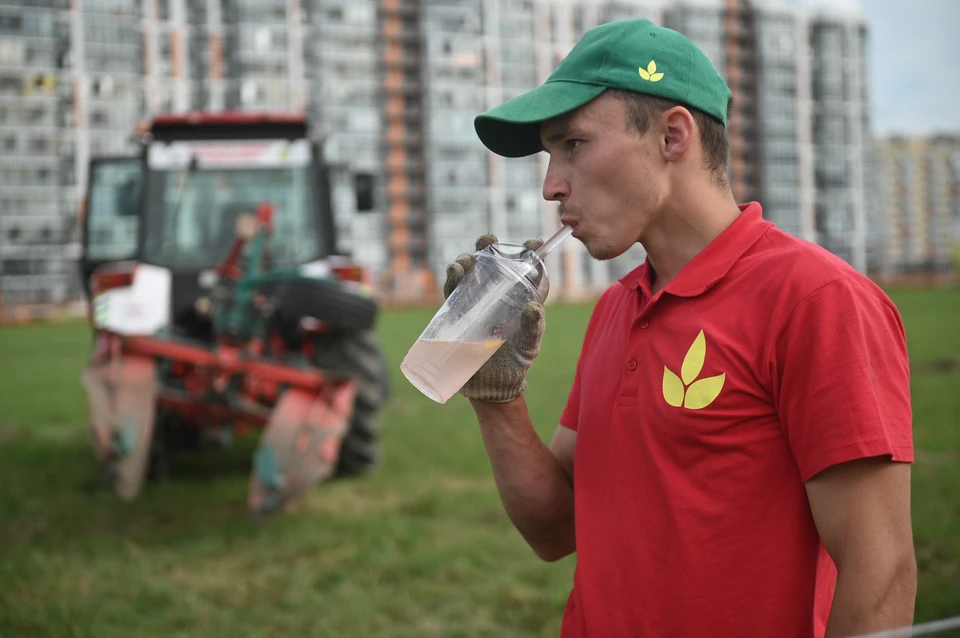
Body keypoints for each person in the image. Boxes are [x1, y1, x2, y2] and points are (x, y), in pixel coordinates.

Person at [443, 18, 916, 638]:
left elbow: (880, 574)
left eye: (573, 144)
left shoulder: (816, 301)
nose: (551, 185)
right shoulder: (618, 307)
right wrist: (495, 396)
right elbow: (558, 530)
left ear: (672, 136)